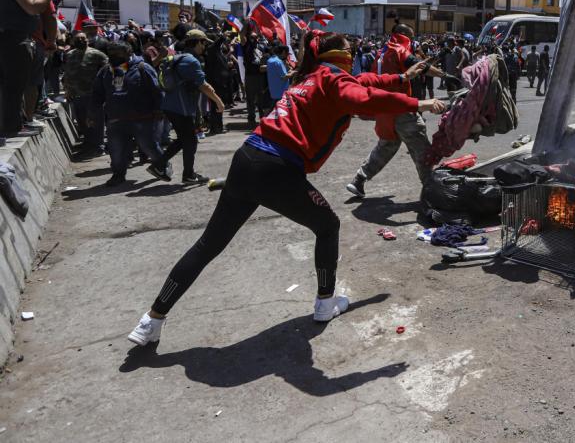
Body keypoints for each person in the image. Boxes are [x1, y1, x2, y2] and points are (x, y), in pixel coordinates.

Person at [127, 30, 444, 346]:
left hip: (247, 157)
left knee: (208, 245)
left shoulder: (315, 75)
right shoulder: (334, 79)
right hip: (276, 168)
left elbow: (365, 84)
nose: (353, 54)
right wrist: (421, 103)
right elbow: (363, 97)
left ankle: (151, 320)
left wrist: (403, 76)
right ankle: (324, 303)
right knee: (328, 225)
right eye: (350, 49)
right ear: (339, 55)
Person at [346, 24, 443, 198]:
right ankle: (432, 190)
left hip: (384, 108)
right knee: (421, 147)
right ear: (403, 34)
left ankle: (359, 179)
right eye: (411, 36)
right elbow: (419, 66)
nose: (412, 41)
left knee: (386, 145)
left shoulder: (381, 52)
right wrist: (444, 76)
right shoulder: (398, 49)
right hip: (400, 107)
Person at [147, 30, 225, 184]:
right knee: (190, 140)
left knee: (185, 139)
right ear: (197, 42)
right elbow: (203, 85)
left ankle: (160, 165)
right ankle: (187, 174)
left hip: (172, 105)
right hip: (180, 108)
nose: (205, 47)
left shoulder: (177, 57)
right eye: (204, 43)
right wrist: (218, 102)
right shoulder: (191, 61)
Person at [0, 0, 59, 138]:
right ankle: (13, 126)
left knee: (8, 85)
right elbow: (32, 7)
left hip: (7, 37)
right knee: (15, 86)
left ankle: (9, 125)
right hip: (14, 39)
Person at [91, 42, 165, 187]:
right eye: (110, 53)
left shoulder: (143, 68)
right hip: (116, 119)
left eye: (117, 54)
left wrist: (160, 110)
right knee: (116, 151)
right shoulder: (106, 71)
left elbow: (157, 91)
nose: (113, 56)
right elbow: (97, 94)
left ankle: (163, 165)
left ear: (128, 53)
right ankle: (118, 175)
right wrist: (92, 114)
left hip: (142, 119)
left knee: (149, 147)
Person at [63, 31, 108, 156]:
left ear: (87, 40)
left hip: (92, 95)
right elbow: (67, 73)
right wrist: (67, 89)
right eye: (78, 39)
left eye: (83, 38)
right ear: (72, 41)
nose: (81, 40)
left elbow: (108, 70)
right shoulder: (69, 54)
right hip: (76, 94)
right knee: (82, 121)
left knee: (95, 121)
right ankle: (88, 145)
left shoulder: (97, 54)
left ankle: (98, 146)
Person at [242, 25, 269, 128]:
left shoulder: (262, 46)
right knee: (250, 99)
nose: (253, 38)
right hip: (250, 76)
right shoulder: (246, 45)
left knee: (261, 99)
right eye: (251, 37)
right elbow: (242, 34)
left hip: (260, 76)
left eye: (255, 37)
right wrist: (246, 23)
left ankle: (262, 118)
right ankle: (251, 118)